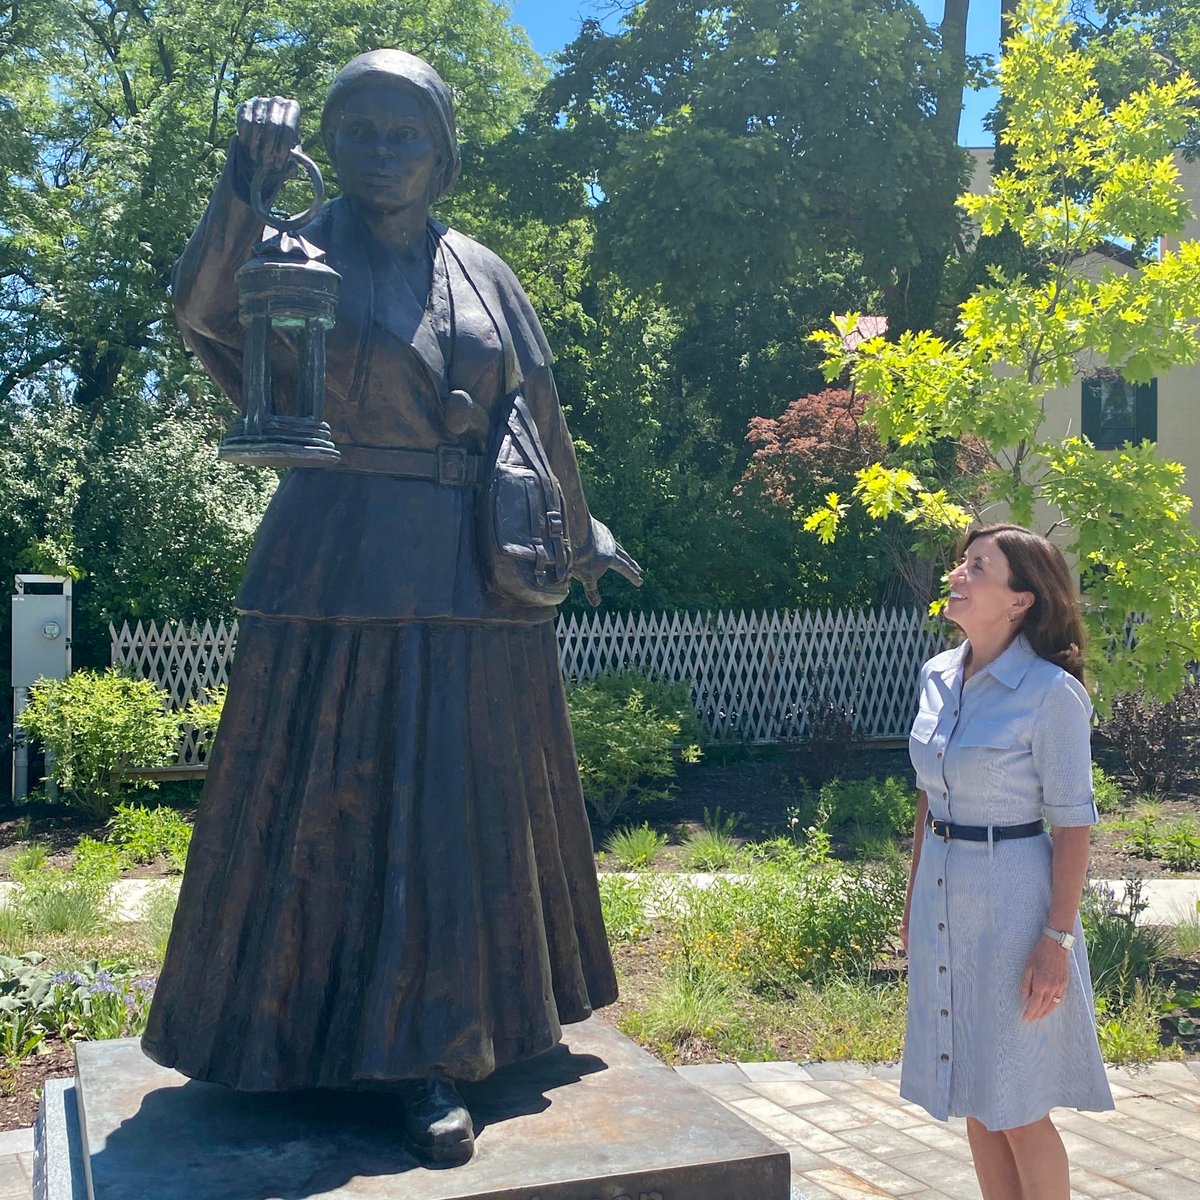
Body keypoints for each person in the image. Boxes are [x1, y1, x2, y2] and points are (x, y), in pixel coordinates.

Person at [141, 49, 641, 1166]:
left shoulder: (483, 269)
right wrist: (244, 180)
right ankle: (298, 1040)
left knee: (453, 811)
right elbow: (203, 312)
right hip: (335, 562)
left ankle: (449, 1044)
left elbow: (537, 409)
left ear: (442, 155)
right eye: (359, 131)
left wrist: (578, 530)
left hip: (471, 577)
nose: (381, 151)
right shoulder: (292, 244)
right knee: (335, 808)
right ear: (331, 143)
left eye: (404, 133)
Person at [900, 523, 1114, 1199]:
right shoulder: (937, 675)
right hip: (944, 897)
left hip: (1015, 906)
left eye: (977, 567)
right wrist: (912, 902)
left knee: (1018, 1104)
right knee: (972, 1089)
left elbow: (1073, 824)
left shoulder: (1050, 694)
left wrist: (1057, 940)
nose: (957, 575)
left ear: (1020, 600)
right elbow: (929, 798)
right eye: (961, 563)